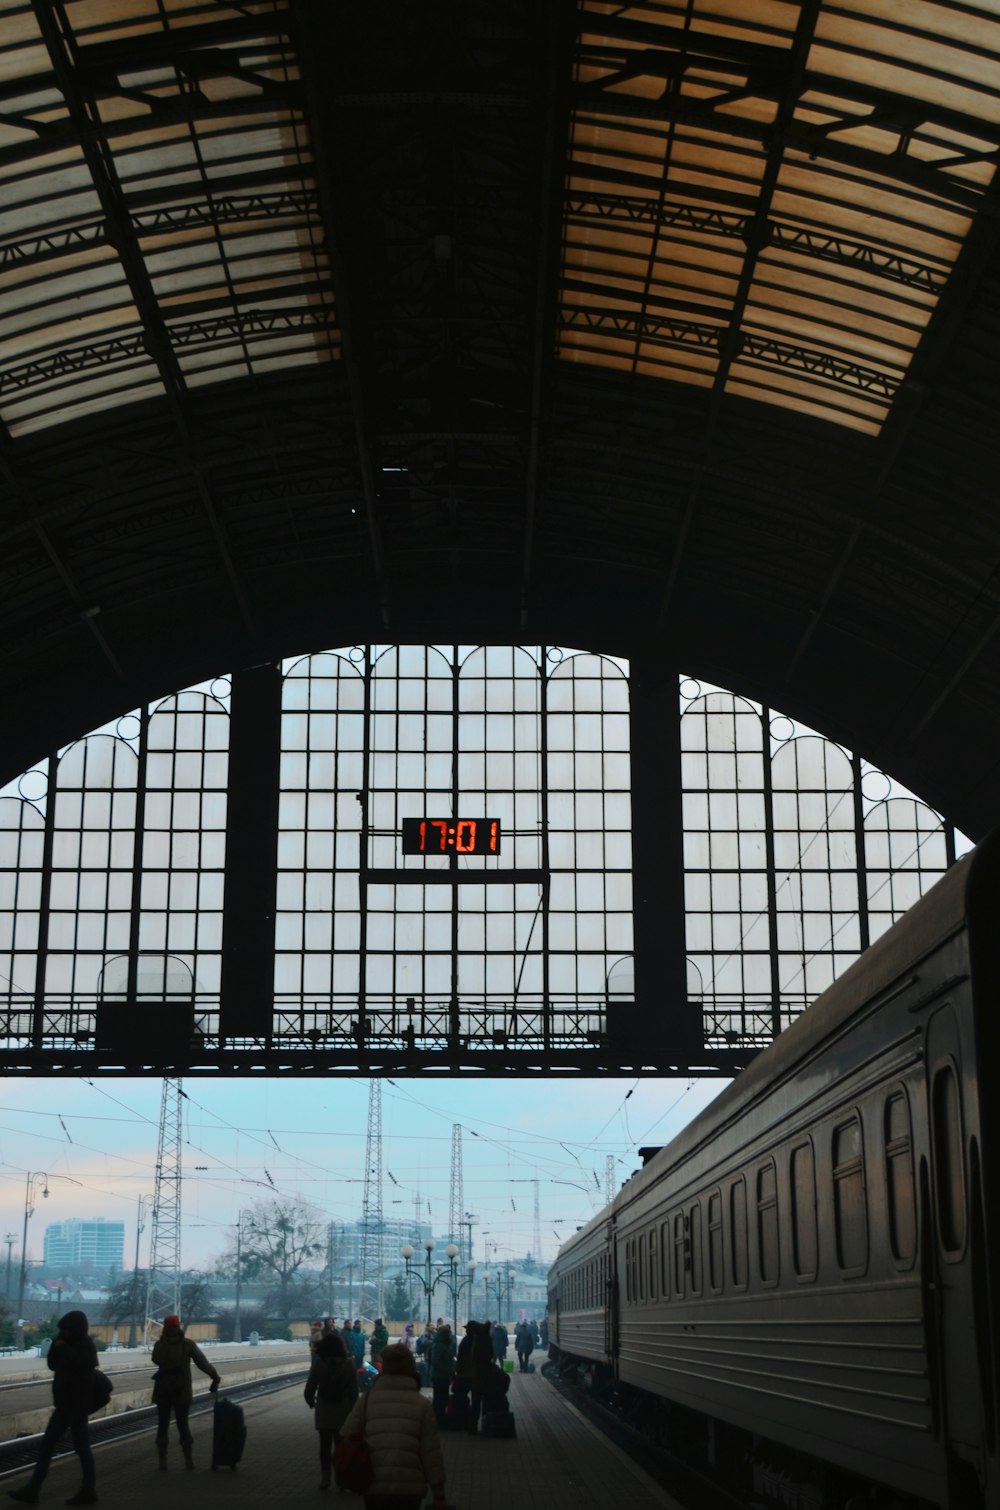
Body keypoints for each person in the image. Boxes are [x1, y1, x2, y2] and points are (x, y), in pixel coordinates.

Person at [339, 1342, 447, 1510]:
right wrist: (438, 1494)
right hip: (410, 1488)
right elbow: (431, 1452)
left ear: (385, 1368)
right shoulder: (422, 1404)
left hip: (374, 1485)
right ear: (411, 1368)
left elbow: (347, 1434)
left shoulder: (366, 1401)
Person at [8, 1310, 99, 1506]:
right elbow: (52, 1365)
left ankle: (88, 1490)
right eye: (62, 1330)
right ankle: (32, 1490)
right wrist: (57, 1346)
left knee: (81, 1449)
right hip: (64, 1407)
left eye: (67, 1330)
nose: (64, 1333)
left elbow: (81, 1363)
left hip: (77, 1408)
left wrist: (63, 1347)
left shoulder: (86, 1347)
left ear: (75, 1329)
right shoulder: (66, 1344)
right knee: (47, 1447)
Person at [149, 1314, 220, 1470]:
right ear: (179, 1327)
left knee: (162, 1425)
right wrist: (214, 1376)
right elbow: (202, 1363)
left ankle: (163, 1462)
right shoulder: (188, 1345)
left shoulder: (159, 1345)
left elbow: (156, 1360)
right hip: (181, 1390)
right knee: (183, 1425)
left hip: (163, 1390)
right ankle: (188, 1460)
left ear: (165, 1329)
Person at [304, 1330, 358, 1490]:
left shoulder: (319, 1364)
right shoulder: (348, 1364)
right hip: (343, 1411)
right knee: (341, 1447)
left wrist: (311, 1402)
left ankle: (326, 1478)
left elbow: (310, 1388)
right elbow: (353, 1391)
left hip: (324, 1410)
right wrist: (354, 1412)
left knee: (324, 1446)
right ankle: (341, 1478)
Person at [428, 1325, 456, 1429]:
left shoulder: (444, 1344)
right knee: (440, 1399)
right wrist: (448, 1370)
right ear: (443, 1334)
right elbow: (436, 1362)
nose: (449, 1334)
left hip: (443, 1376)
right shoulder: (439, 1345)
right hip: (439, 1376)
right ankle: (439, 1420)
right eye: (447, 1333)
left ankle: (440, 1419)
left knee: (442, 1398)